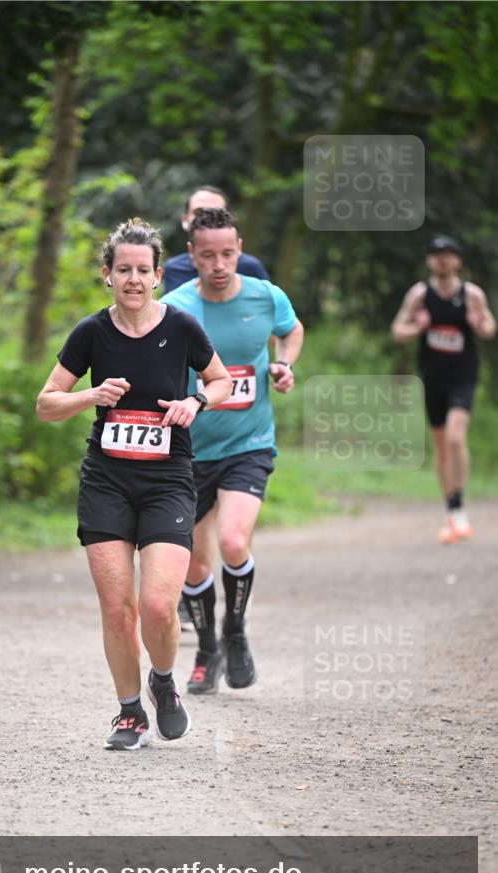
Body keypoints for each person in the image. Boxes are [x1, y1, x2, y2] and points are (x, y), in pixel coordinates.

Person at [36, 219, 231, 749]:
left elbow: (221, 379)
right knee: (118, 609)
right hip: (106, 481)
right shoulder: (91, 333)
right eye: (123, 269)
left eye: (143, 270)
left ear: (159, 275)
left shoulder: (184, 328)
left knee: (158, 606)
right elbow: (46, 403)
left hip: (168, 480)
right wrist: (90, 396)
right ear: (107, 274)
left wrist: (196, 402)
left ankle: (162, 683)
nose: (133, 279)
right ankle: (129, 713)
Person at [162, 207, 303, 694]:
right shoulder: (176, 306)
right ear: (191, 256)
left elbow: (291, 329)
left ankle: (235, 633)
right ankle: (206, 649)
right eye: (207, 255)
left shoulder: (266, 296)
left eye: (227, 253)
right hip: (191, 450)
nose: (219, 264)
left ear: (240, 250)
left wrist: (283, 365)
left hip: (249, 442)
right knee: (193, 564)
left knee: (234, 543)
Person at [391, 236, 496, 543]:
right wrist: (418, 328)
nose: (442, 261)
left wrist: (478, 324)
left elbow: (490, 327)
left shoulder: (472, 294)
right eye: (437, 255)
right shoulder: (420, 295)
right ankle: (451, 511)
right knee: (440, 446)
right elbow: (398, 330)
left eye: (448, 256)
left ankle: (458, 503)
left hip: (463, 375)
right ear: (429, 261)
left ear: (457, 261)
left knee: (455, 437)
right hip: (432, 377)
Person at [163, 185, 269, 294]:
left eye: (215, 213)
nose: (206, 219)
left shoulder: (250, 268)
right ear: (185, 219)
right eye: (199, 213)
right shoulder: (174, 269)